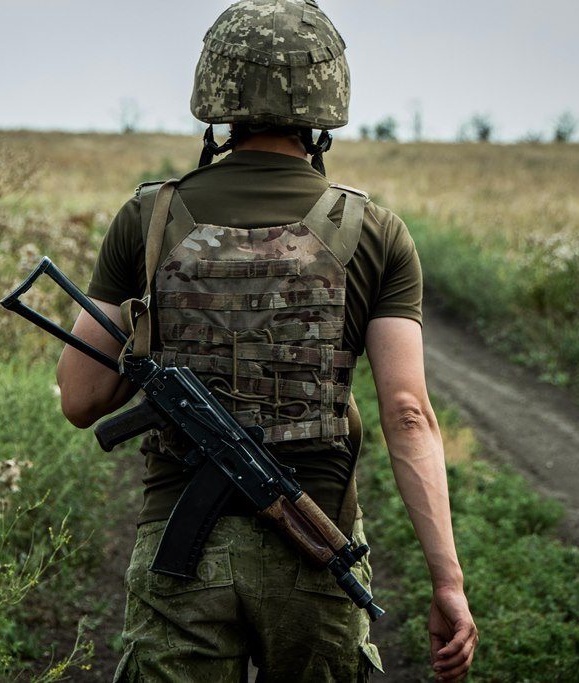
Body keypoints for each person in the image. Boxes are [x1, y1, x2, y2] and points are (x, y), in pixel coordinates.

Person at [56, 1, 477, 680]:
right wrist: (448, 581)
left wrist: (156, 339)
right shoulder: (374, 230)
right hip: (315, 545)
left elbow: (79, 397)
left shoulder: (149, 217)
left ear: (215, 95)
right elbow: (408, 412)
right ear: (326, 101)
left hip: (179, 557)